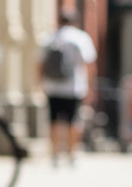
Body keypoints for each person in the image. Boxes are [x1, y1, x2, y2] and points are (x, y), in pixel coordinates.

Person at [40, 8, 97, 165]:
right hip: (74, 87)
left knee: (53, 121)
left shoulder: (49, 38)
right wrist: (90, 85)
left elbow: (39, 64)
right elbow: (89, 63)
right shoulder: (80, 38)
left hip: (52, 87)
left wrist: (39, 83)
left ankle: (54, 154)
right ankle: (72, 154)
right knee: (73, 121)